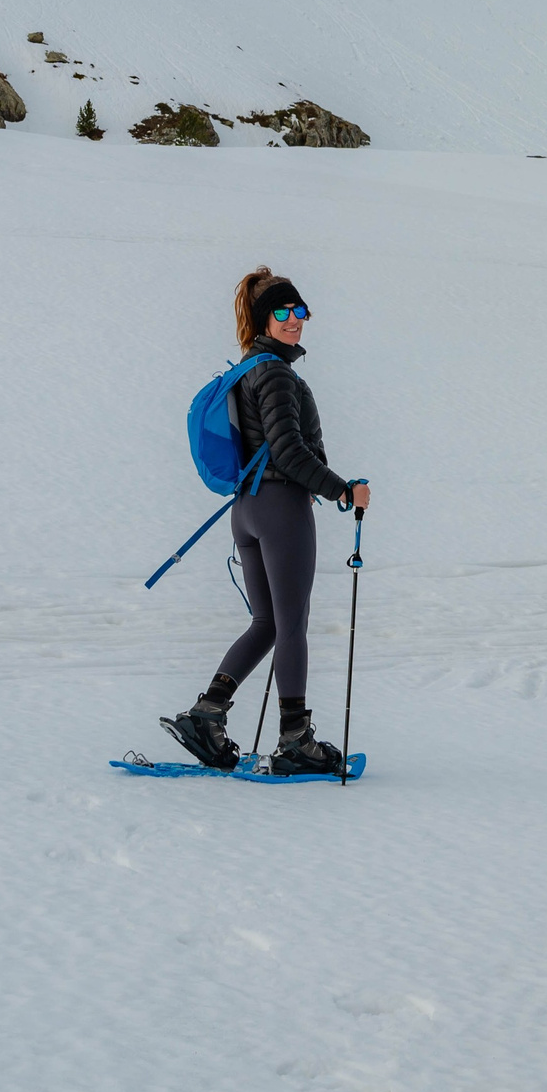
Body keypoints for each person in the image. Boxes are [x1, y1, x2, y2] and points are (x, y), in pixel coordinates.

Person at [162, 267, 372, 775]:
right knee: (291, 623)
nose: (295, 321)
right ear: (264, 318)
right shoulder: (276, 373)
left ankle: (206, 714)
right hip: (280, 508)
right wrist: (344, 489)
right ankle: (296, 738)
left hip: (247, 510)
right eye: (283, 312)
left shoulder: (249, 368)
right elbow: (289, 451)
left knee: (267, 622)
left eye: (301, 312)